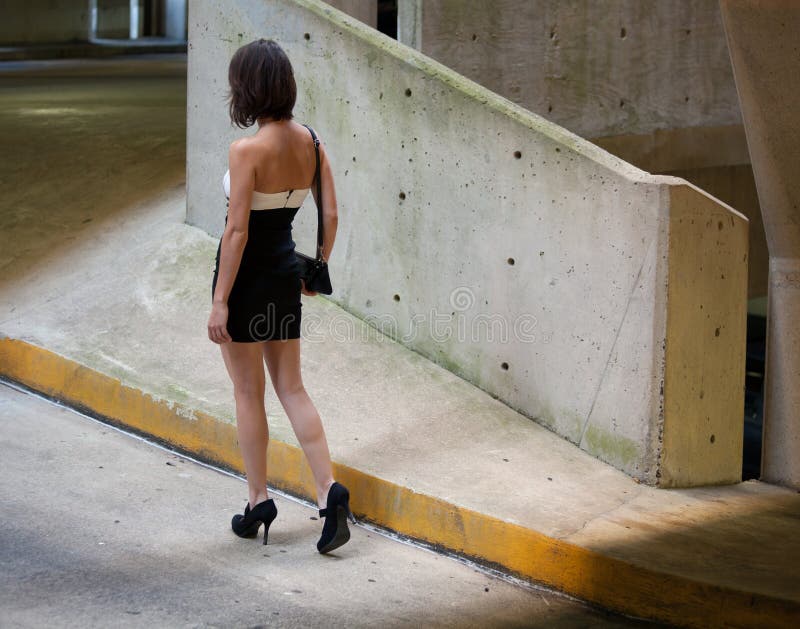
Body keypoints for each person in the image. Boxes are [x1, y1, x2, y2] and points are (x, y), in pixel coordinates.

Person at [207, 38, 353, 554]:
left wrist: (221, 300)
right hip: (286, 275)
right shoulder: (311, 143)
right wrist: (317, 268)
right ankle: (327, 491)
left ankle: (258, 501)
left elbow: (237, 232)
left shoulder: (246, 150)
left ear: (247, 88)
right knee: (292, 388)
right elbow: (330, 213)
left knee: (249, 393)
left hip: (245, 280)